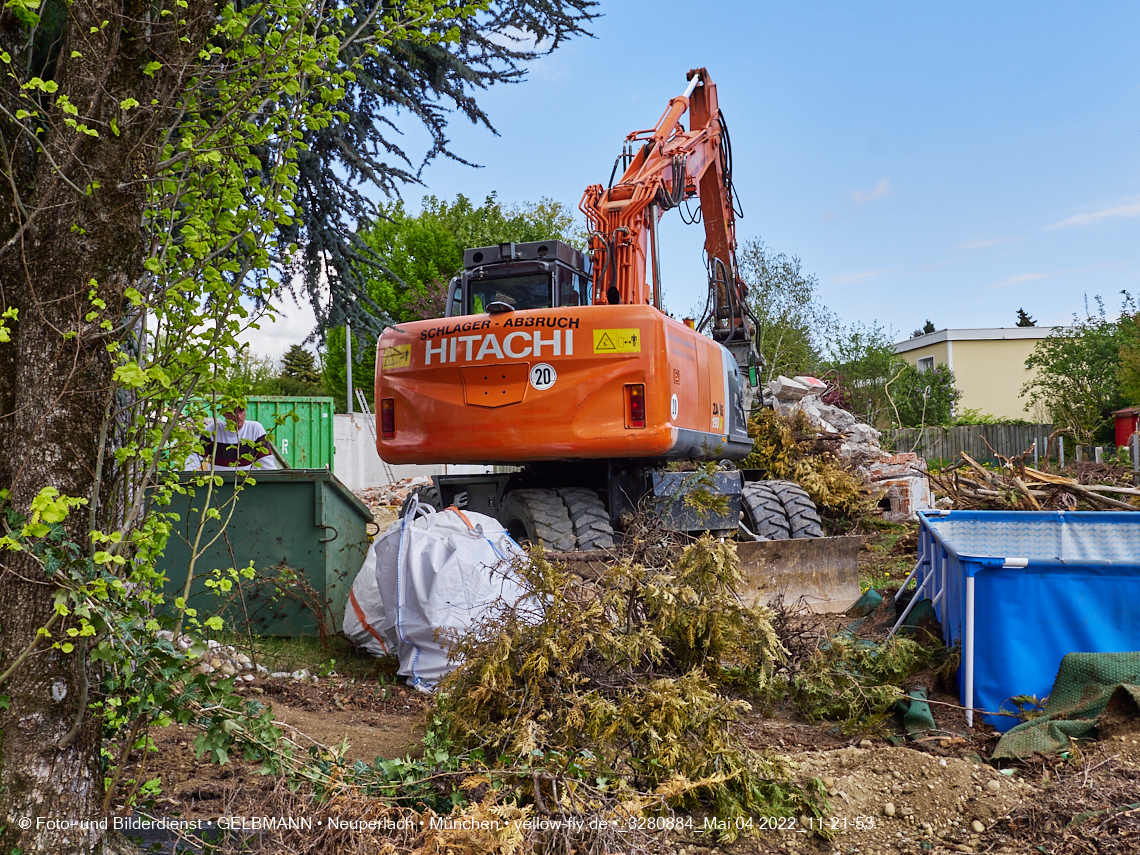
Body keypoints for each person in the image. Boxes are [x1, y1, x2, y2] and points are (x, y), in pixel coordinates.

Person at [185, 407, 278, 471]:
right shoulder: (214, 429)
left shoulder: (255, 429)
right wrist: (178, 477)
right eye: (232, 411)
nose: (238, 416)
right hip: (219, 487)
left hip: (246, 486)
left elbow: (267, 465)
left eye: (241, 411)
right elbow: (194, 459)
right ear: (224, 413)